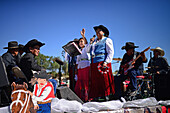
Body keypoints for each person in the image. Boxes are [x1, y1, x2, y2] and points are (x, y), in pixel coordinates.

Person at [87, 25, 115, 101]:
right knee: (95, 80)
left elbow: (110, 52)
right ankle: (97, 95)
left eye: (99, 31)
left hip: (103, 62)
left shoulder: (107, 40)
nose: (97, 33)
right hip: (94, 62)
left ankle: (106, 95)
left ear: (103, 32)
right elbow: (87, 50)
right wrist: (90, 43)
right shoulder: (94, 42)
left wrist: (106, 61)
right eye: (96, 31)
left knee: (104, 79)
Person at [74, 28, 90, 102]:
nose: (80, 43)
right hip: (80, 67)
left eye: (81, 41)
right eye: (79, 42)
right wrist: (76, 72)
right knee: (80, 82)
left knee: (86, 82)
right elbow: (77, 62)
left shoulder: (86, 48)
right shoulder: (78, 51)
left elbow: (86, 43)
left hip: (86, 65)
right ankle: (80, 97)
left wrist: (83, 36)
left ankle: (87, 97)